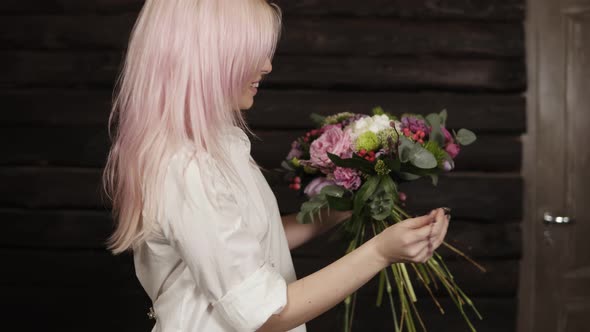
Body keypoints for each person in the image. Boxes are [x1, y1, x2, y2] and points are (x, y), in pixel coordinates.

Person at [101, 0, 451, 331]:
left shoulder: (217, 146)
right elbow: (265, 315)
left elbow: (249, 244)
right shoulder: (187, 168)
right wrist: (380, 252)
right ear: (208, 59)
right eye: (252, 53)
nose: (267, 66)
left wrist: (344, 210)